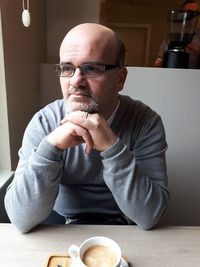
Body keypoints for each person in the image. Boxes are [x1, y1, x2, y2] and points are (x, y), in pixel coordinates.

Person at [4, 23, 169, 234]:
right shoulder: (45, 122)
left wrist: (112, 148)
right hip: (57, 225)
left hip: (122, 226)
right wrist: (50, 148)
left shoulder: (145, 122)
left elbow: (150, 216)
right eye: (67, 69)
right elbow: (20, 218)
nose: (76, 81)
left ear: (120, 78)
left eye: (92, 68)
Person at [154, 0, 200, 68]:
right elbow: (159, 59)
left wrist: (197, 49)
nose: (194, 16)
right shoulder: (174, 35)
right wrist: (160, 63)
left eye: (197, 12)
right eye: (190, 12)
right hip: (175, 74)